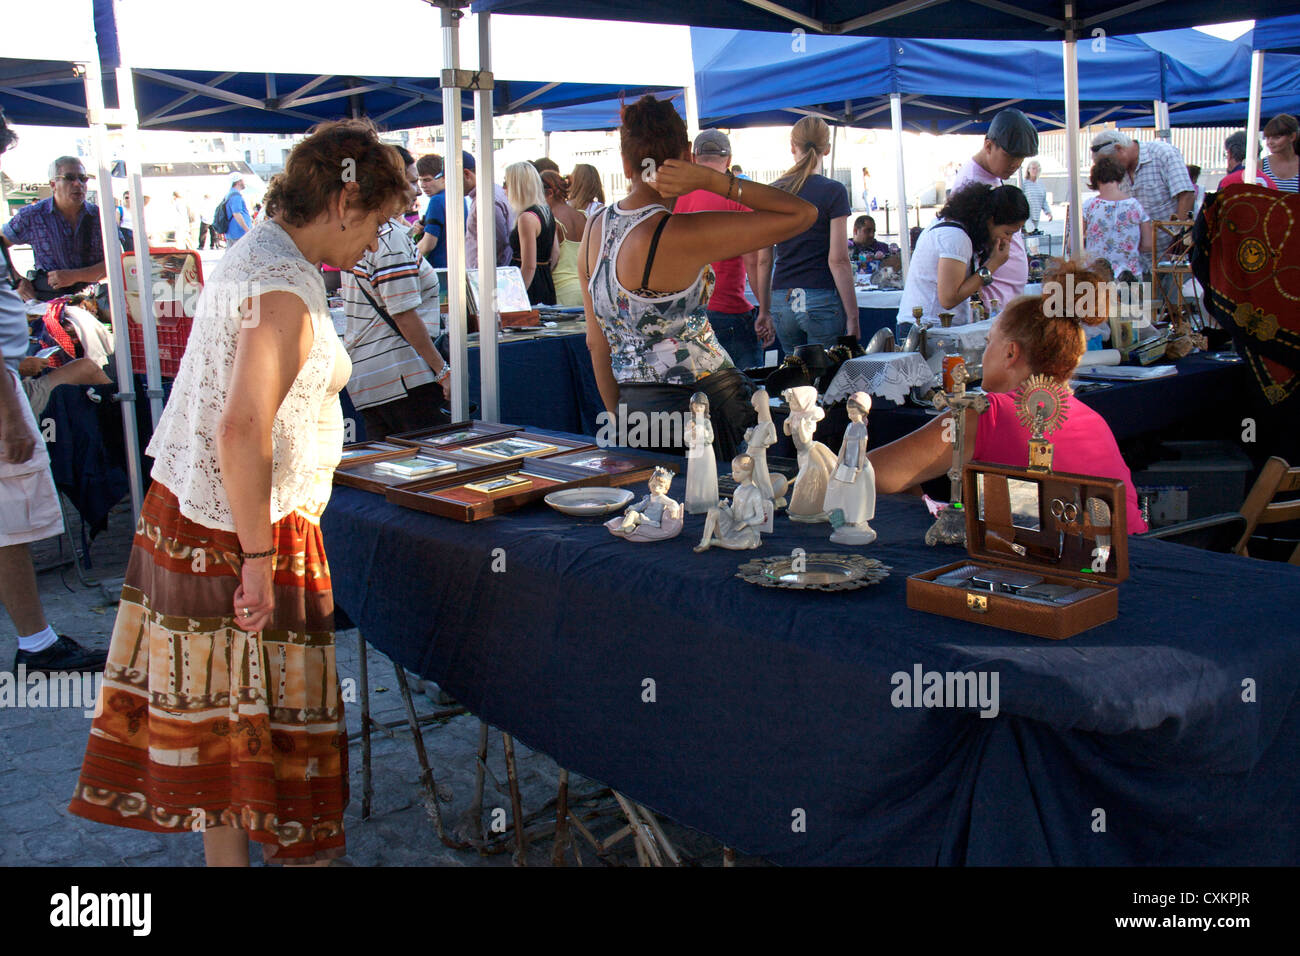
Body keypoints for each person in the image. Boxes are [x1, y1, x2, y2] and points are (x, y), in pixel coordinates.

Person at [68, 118, 412, 867]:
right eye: (379, 223)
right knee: (281, 735)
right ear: (343, 205)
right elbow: (242, 425)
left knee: (224, 732)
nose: (375, 244)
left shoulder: (254, 252)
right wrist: (258, 557)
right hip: (244, 532)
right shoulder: (282, 283)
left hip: (197, 515)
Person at [578, 95, 816, 461]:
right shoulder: (678, 234)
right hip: (708, 402)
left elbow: (597, 344)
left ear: (625, 163)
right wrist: (715, 181)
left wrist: (622, 419)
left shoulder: (595, 227)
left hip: (635, 406)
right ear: (687, 156)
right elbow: (802, 214)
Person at [870, 261, 1148, 534]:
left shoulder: (986, 414)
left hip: (1066, 566)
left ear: (1011, 353)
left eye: (989, 342)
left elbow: (868, 475)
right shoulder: (1092, 418)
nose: (984, 352)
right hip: (1134, 558)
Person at [0, 110, 108, 675]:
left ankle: (37, 641)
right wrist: (12, 415)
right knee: (10, 521)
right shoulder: (26, 221)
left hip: (23, 361)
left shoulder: (93, 217)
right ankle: (36, 643)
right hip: (9, 387)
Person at [343, 145, 450, 440]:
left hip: (374, 377)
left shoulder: (364, 231)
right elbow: (403, 313)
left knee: (396, 474)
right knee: (428, 472)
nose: (417, 190)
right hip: (402, 376)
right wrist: (442, 370)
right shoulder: (388, 239)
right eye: (412, 181)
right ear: (389, 182)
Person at [754, 116, 857, 352]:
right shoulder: (833, 191)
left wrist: (764, 310)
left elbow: (764, 259)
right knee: (828, 378)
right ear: (827, 149)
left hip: (783, 298)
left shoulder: (772, 191)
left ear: (792, 147)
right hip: (820, 295)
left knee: (795, 379)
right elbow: (839, 260)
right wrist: (853, 316)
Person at [673, 129, 764, 370]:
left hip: (689, 313)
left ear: (694, 158)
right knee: (750, 395)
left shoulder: (677, 198)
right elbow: (754, 261)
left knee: (704, 398)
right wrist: (765, 310)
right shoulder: (740, 196)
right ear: (729, 160)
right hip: (730, 310)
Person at [896, 183, 1028, 328]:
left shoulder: (956, 230)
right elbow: (949, 299)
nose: (1008, 240)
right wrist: (993, 264)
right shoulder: (955, 237)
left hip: (932, 327)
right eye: (1007, 233)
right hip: (928, 328)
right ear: (990, 221)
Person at [951, 108, 1039, 311]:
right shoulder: (971, 184)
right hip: (991, 299)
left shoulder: (989, 175)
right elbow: (970, 251)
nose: (1016, 164)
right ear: (988, 146)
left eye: (1022, 159)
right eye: (1010, 157)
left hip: (1001, 297)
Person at [0, 155, 107, 301]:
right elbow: (2, 241)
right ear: (53, 184)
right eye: (69, 178)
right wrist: (17, 279)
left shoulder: (100, 217)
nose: (78, 184)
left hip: (97, 297)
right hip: (49, 299)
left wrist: (74, 276)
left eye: (83, 178)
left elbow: (118, 262)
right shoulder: (32, 215)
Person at [1089, 130, 1194, 258]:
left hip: (1172, 254)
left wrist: (1178, 236)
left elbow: (1186, 194)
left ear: (1119, 149)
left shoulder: (1162, 153)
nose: (1109, 167)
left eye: (1110, 162)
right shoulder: (1119, 170)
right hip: (1138, 259)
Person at [1081, 156, 1151, 280]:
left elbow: (1073, 243)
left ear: (1095, 179)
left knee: (1099, 300)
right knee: (1131, 300)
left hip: (1096, 275)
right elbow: (1147, 244)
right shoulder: (1135, 206)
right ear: (1120, 177)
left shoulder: (1089, 206)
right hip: (1130, 274)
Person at [505, 161, 558, 306]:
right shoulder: (546, 211)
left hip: (528, 285)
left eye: (507, 183)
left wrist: (514, 297)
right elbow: (555, 254)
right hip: (544, 280)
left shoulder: (527, 218)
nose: (505, 189)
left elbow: (529, 265)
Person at [541, 169, 586, 307]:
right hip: (585, 288)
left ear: (548, 193)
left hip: (562, 290)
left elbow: (552, 258)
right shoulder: (583, 216)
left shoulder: (550, 220)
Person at [461, 150, 513, 267]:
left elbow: (496, 242)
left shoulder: (487, 199)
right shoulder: (487, 194)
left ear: (467, 174)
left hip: (486, 276)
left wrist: (479, 271)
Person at [415, 153, 447, 269]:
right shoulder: (456, 198)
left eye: (427, 180)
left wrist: (406, 261)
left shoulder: (436, 201)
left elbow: (428, 244)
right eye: (420, 181)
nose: (423, 186)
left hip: (438, 269)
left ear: (443, 178)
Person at [1261, 113, 1299, 192]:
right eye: (1267, 138)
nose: (1270, 142)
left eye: (1276, 137)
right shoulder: (1261, 166)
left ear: (1292, 137)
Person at [1020, 160, 1052, 237]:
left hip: (1036, 215)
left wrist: (1048, 212)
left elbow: (1044, 200)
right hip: (1026, 216)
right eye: (1033, 168)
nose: (1035, 171)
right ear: (1028, 170)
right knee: (1032, 239)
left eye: (1037, 169)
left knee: (1032, 238)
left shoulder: (1040, 184)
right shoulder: (1024, 184)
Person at [221, 171, 254, 244]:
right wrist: (247, 230)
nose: (244, 182)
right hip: (238, 233)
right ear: (239, 182)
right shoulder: (236, 196)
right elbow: (236, 214)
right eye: (243, 180)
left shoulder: (230, 194)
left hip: (233, 233)